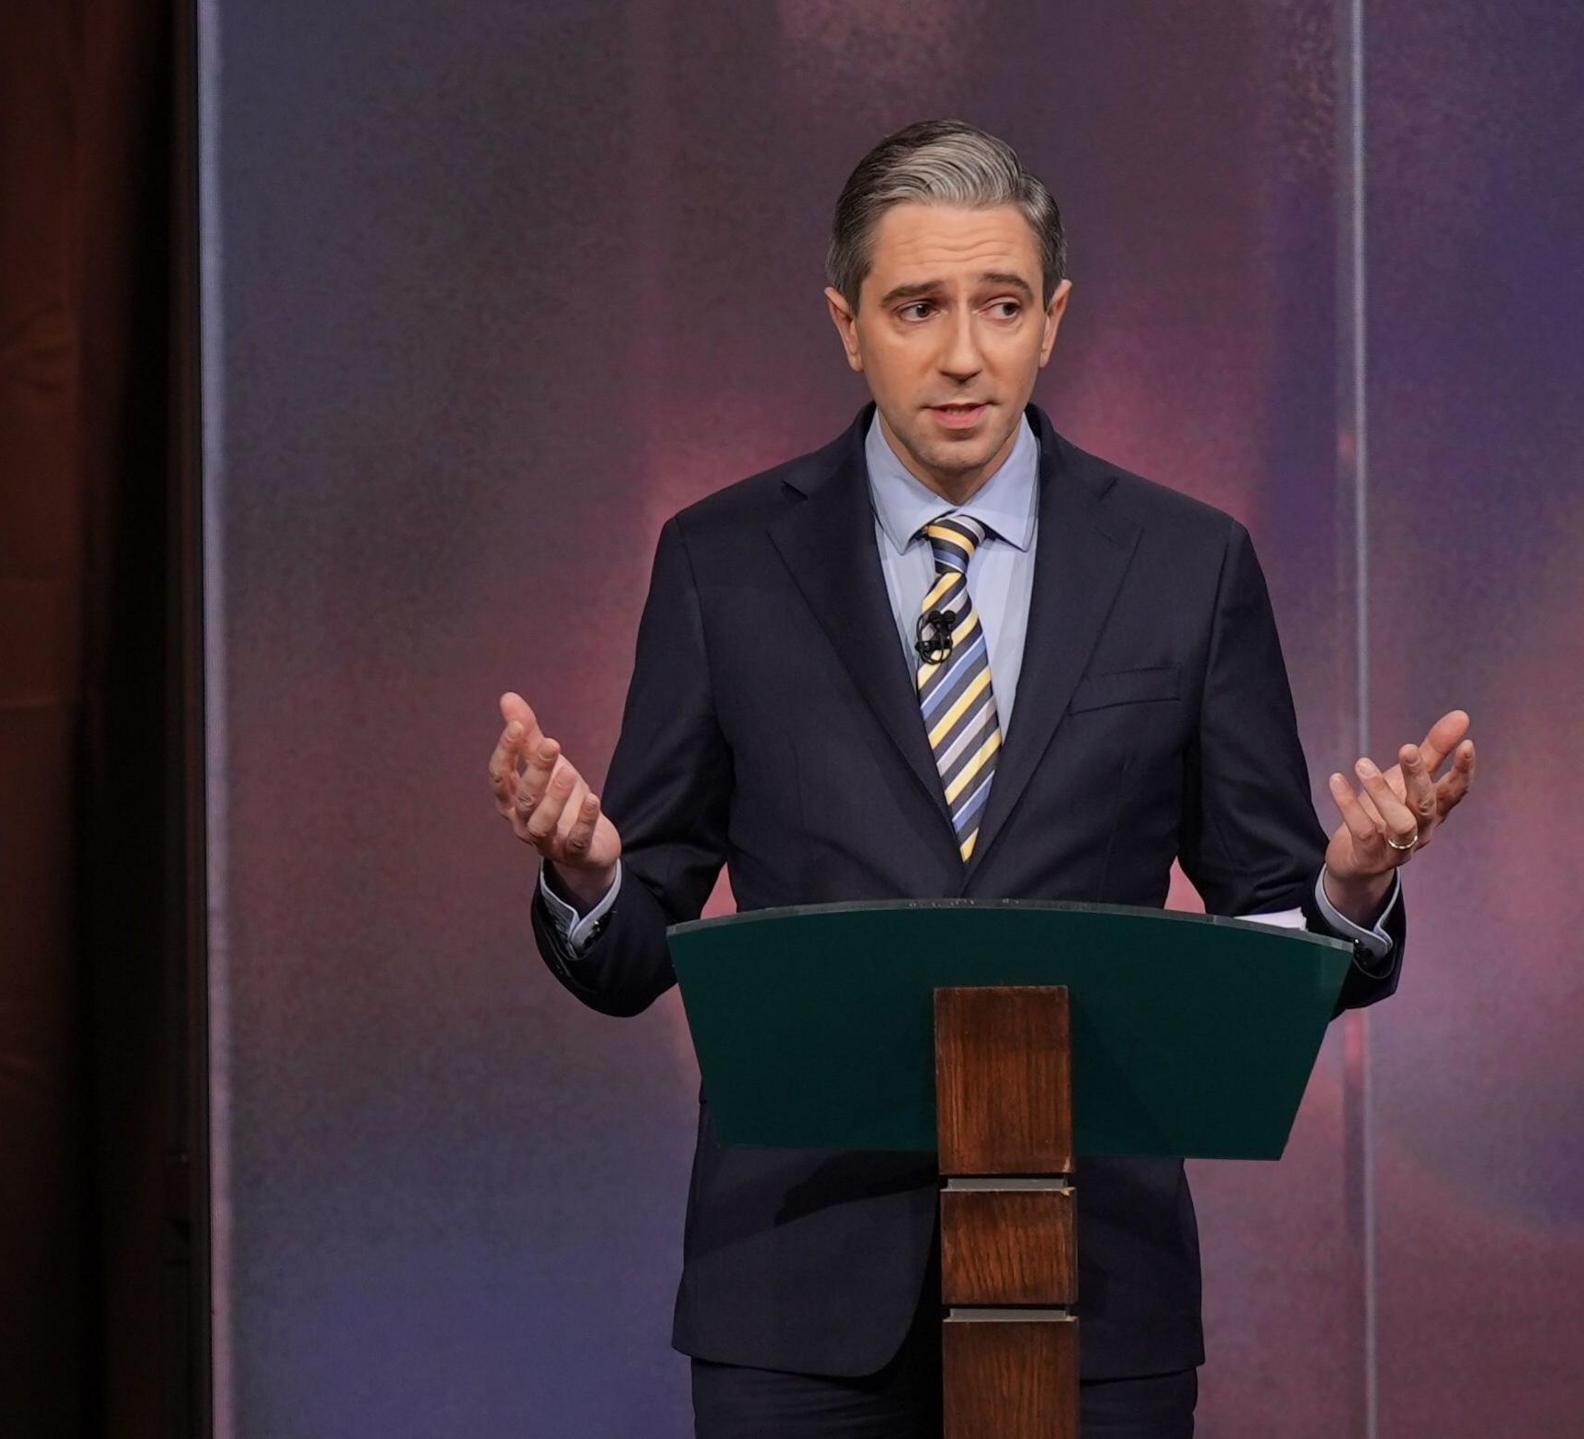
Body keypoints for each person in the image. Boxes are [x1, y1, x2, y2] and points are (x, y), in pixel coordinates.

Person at [484, 120, 1476, 1438]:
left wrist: (1347, 889)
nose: (963, 353)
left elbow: (1268, 938)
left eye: (1000, 305)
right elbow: (631, 954)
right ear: (847, 324)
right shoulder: (721, 563)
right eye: (918, 307)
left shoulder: (1187, 566)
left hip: (1096, 1286)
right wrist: (590, 879)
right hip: (796, 1295)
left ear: (1052, 319)